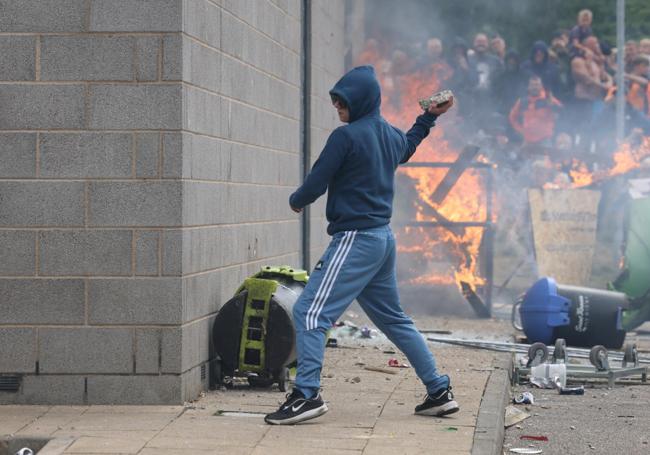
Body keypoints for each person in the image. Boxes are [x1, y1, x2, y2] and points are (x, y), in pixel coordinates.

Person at [264, 66, 457, 425]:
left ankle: (307, 394)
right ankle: (438, 391)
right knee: (394, 319)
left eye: (343, 102)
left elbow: (317, 180)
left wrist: (297, 199)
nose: (338, 109)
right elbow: (409, 144)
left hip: (355, 239)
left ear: (360, 101)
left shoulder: (345, 137)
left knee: (309, 311)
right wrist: (427, 118)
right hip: (382, 240)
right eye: (335, 103)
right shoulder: (389, 135)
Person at [509, 75, 562, 146]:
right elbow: (512, 117)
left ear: (541, 86)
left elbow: (561, 111)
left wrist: (552, 105)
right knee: (521, 156)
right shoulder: (522, 101)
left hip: (545, 140)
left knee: (544, 157)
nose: (535, 87)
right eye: (532, 85)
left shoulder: (548, 99)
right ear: (529, 87)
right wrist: (520, 130)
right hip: (527, 140)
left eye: (537, 85)